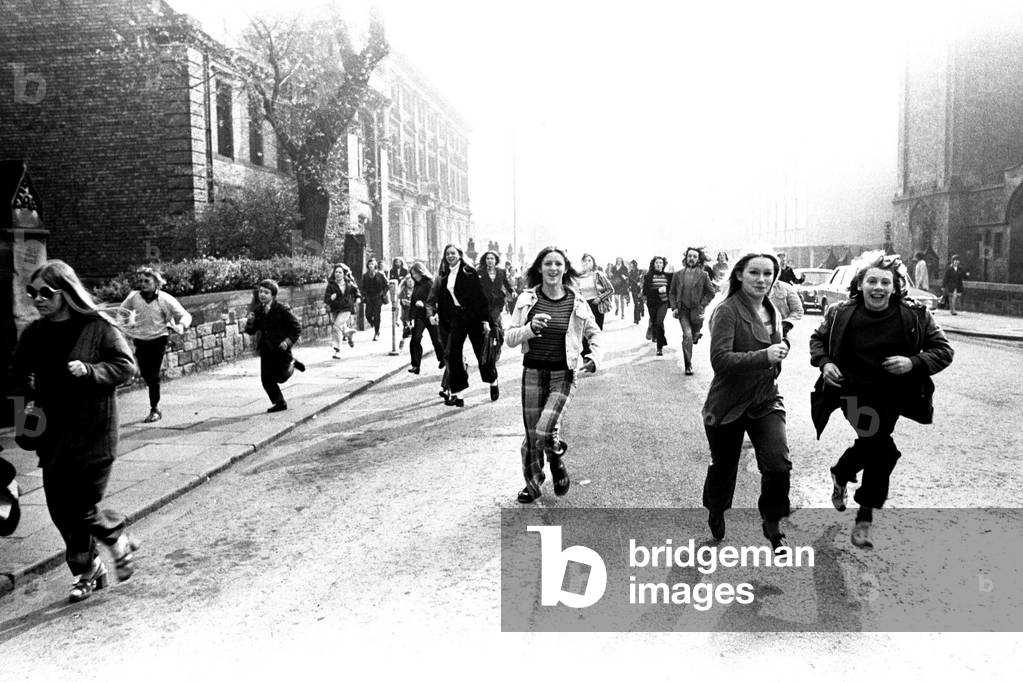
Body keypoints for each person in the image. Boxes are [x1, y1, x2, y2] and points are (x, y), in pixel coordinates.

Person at [9, 259, 140, 602]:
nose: (37, 298)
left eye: (45, 292)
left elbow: (125, 366)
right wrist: (24, 425)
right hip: (53, 436)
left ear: (65, 293)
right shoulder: (34, 333)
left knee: (81, 506)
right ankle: (89, 568)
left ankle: (113, 539)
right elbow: (17, 380)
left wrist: (91, 370)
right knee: (60, 511)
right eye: (31, 292)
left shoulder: (97, 327)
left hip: (94, 432)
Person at [810, 254, 953, 548]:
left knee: (876, 446)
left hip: (894, 395)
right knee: (879, 447)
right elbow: (817, 340)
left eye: (885, 282)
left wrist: (913, 362)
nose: (878, 287)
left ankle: (842, 473)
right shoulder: (840, 313)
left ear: (896, 286)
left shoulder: (915, 315)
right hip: (852, 392)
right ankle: (864, 518)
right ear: (860, 284)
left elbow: (944, 350)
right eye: (871, 281)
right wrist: (824, 363)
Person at [702, 252, 792, 551]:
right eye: (755, 272)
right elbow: (720, 360)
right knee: (724, 468)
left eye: (768, 274)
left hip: (765, 399)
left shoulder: (773, 309)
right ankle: (716, 509)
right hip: (729, 402)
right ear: (740, 274)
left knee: (778, 464)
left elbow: (774, 345)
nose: (762, 280)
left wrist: (781, 348)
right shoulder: (727, 311)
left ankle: (773, 523)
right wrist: (763, 356)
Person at [506, 246, 601, 503]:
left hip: (564, 374)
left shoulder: (576, 300)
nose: (553, 269)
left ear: (565, 269)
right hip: (533, 372)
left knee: (545, 430)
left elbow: (594, 333)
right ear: (540, 268)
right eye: (548, 264)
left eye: (558, 264)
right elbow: (510, 338)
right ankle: (533, 484)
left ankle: (556, 458)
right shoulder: (527, 299)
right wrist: (529, 329)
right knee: (531, 436)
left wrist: (594, 357)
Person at [120, 266, 192, 423]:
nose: (143, 284)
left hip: (159, 338)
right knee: (146, 374)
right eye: (141, 281)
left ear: (156, 282)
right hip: (140, 340)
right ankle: (155, 404)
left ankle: (155, 409)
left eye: (147, 281)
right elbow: (121, 312)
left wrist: (181, 325)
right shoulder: (134, 298)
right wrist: (127, 325)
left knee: (153, 375)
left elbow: (185, 315)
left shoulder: (165, 299)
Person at [435, 244, 496, 406]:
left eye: (453, 253)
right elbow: (444, 299)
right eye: (447, 254)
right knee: (454, 353)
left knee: (480, 352)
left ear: (460, 255)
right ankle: (458, 393)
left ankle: (493, 380)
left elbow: (480, 297)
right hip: (457, 317)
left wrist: (485, 320)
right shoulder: (445, 273)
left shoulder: (469, 272)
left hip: (474, 316)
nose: (450, 256)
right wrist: (441, 316)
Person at [244, 279, 305, 413]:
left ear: (273, 295)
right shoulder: (258, 310)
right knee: (266, 380)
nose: (262, 295)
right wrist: (250, 321)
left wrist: (287, 342)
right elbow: (251, 331)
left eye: (266, 292)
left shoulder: (281, 309)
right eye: (260, 292)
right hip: (266, 349)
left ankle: (293, 364)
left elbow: (296, 328)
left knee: (281, 377)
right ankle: (280, 402)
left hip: (281, 349)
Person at [669, 247, 717, 375]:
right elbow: (672, 293)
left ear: (698, 259)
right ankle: (688, 364)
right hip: (682, 310)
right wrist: (674, 308)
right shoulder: (677, 274)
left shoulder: (703, 275)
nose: (692, 259)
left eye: (695, 257)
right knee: (687, 335)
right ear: (686, 258)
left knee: (694, 333)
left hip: (697, 311)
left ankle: (697, 334)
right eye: (690, 256)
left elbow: (711, 293)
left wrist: (702, 305)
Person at [407, 262, 446, 375]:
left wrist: (423, 304)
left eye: (416, 273)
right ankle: (415, 365)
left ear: (421, 272)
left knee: (436, 340)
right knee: (415, 338)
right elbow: (414, 302)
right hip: (419, 316)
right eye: (412, 274)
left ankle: (443, 359)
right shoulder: (416, 285)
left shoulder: (430, 283)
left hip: (430, 315)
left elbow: (435, 300)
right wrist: (410, 317)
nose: (414, 276)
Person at [323, 263, 361, 357]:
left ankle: (337, 350)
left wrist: (358, 298)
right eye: (336, 272)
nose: (338, 274)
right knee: (340, 328)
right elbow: (326, 299)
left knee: (336, 327)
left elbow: (357, 292)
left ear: (344, 274)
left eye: (340, 272)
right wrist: (331, 298)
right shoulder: (331, 285)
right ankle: (349, 335)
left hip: (346, 308)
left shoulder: (349, 284)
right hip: (335, 309)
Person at [575, 253, 615, 337]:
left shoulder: (598, 274)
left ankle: (595, 349)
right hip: (584, 306)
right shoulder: (578, 276)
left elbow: (611, 290)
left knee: (596, 332)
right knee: (583, 333)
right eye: (585, 260)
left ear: (593, 262)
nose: (587, 262)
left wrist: (599, 299)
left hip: (596, 305)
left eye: (589, 260)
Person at [643, 256, 671, 355]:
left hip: (663, 302)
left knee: (659, 322)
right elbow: (646, 291)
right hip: (652, 303)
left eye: (660, 263)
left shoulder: (668, 276)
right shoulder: (649, 276)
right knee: (656, 323)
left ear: (663, 265)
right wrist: (658, 290)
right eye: (657, 263)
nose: (659, 264)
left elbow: (672, 289)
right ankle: (658, 334)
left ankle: (659, 348)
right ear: (653, 264)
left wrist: (666, 290)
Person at [361, 257, 389, 341]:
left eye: (372, 264)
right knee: (368, 314)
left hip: (378, 297)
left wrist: (383, 293)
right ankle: (372, 323)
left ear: (375, 265)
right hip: (369, 297)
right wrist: (364, 294)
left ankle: (376, 332)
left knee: (377, 315)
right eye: (369, 264)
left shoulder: (380, 275)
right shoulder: (365, 275)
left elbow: (387, 285)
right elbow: (363, 287)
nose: (371, 266)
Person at [628, 259, 645, 325]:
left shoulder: (640, 271)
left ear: (635, 265)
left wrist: (640, 283)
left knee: (641, 302)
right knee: (636, 303)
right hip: (634, 289)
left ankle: (642, 310)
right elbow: (629, 281)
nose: (631, 266)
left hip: (640, 289)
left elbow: (643, 279)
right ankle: (636, 319)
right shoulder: (629, 273)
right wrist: (629, 286)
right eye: (630, 265)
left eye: (632, 265)